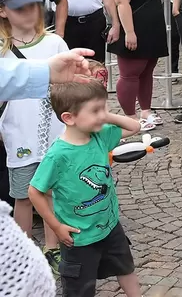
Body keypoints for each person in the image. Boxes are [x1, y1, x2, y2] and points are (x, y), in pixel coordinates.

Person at [28, 78, 143, 297]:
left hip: (110, 226)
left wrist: (103, 114)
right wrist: (56, 227)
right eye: (95, 111)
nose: (102, 115)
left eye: (103, 108)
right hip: (78, 237)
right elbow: (35, 192)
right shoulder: (57, 155)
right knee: (80, 288)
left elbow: (134, 126)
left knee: (125, 268)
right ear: (69, 118)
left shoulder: (100, 136)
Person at [0, 0, 67, 274]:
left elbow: (68, 88)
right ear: (3, 11)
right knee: (23, 194)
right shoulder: (2, 50)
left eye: (33, 5)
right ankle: (23, 250)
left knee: (50, 191)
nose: (29, 12)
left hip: (55, 131)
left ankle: (52, 249)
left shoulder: (55, 43)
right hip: (18, 132)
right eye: (19, 7)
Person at [108, 0, 168, 131]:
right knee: (130, 73)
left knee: (146, 71)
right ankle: (130, 117)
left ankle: (145, 111)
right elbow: (121, 2)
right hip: (135, 28)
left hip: (152, 29)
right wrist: (130, 32)